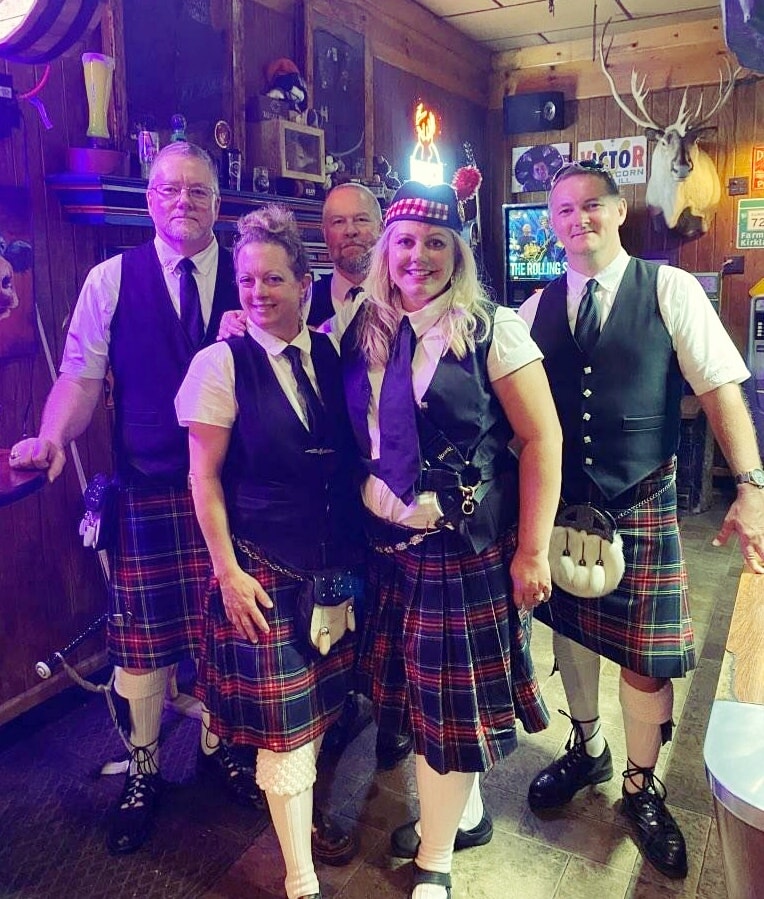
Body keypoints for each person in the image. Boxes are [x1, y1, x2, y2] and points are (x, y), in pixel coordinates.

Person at [8, 142, 263, 854]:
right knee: (142, 648)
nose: (184, 202)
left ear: (218, 203)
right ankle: (144, 769)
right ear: (149, 200)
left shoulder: (250, 275)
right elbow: (80, 376)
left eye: (199, 191)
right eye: (169, 189)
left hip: (236, 494)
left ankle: (219, 750)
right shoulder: (109, 278)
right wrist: (52, 437)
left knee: (227, 635)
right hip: (149, 486)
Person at [518, 159, 764, 880]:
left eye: (591, 204)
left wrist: (751, 485)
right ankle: (587, 746)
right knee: (570, 634)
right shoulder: (533, 308)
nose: (578, 219)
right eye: (563, 210)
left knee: (643, 658)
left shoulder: (669, 288)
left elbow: (720, 388)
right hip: (565, 504)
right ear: (552, 224)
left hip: (640, 500)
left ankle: (639, 785)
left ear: (619, 210)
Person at [338, 180, 562, 899]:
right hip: (384, 551)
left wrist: (532, 550)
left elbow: (542, 439)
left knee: (448, 710)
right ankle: (462, 814)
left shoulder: (494, 329)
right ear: (385, 250)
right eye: (405, 241)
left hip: (459, 550)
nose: (419, 255)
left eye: (436, 242)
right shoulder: (363, 326)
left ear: (458, 253)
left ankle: (436, 858)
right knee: (414, 700)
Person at [175, 205, 361, 899]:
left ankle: (305, 821)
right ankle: (300, 879)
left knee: (321, 714)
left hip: (335, 570)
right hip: (262, 571)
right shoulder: (219, 364)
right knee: (285, 732)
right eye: (248, 280)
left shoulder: (333, 354)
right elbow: (203, 479)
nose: (258, 292)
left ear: (305, 284)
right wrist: (227, 571)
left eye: (274, 278)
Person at [221, 181, 414, 770]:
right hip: (303, 525)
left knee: (384, 627)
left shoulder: (409, 290)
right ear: (321, 236)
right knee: (328, 641)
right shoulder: (299, 311)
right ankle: (334, 720)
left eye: (361, 220)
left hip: (381, 501)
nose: (349, 232)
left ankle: (392, 718)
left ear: (380, 227)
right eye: (336, 222)